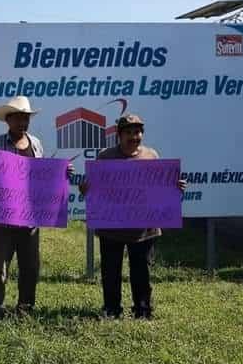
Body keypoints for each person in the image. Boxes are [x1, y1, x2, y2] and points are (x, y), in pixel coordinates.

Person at [80, 114, 186, 320]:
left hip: (144, 229)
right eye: (128, 132)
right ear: (119, 135)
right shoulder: (105, 157)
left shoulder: (152, 156)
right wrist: (86, 189)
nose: (133, 136)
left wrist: (175, 188)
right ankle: (112, 310)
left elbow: (160, 189)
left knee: (142, 272)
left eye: (137, 132)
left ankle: (143, 310)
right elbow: (92, 190)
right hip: (112, 227)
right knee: (111, 271)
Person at [0, 95, 73, 322]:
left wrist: (61, 175)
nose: (22, 122)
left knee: (30, 267)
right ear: (7, 120)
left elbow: (42, 178)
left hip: (29, 220)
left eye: (26, 118)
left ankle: (25, 309)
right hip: (2, 219)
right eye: (18, 118)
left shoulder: (37, 144)